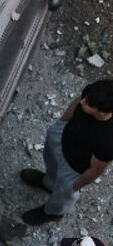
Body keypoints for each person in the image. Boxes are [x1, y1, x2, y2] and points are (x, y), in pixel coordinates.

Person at [20, 80, 113, 225]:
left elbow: (96, 170)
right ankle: (48, 183)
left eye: (88, 103)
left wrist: (74, 186)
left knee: (64, 193)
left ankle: (52, 212)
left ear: (103, 111)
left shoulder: (107, 140)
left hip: (74, 166)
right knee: (51, 165)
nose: (82, 101)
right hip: (62, 138)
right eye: (85, 97)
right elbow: (76, 103)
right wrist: (62, 123)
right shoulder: (91, 96)